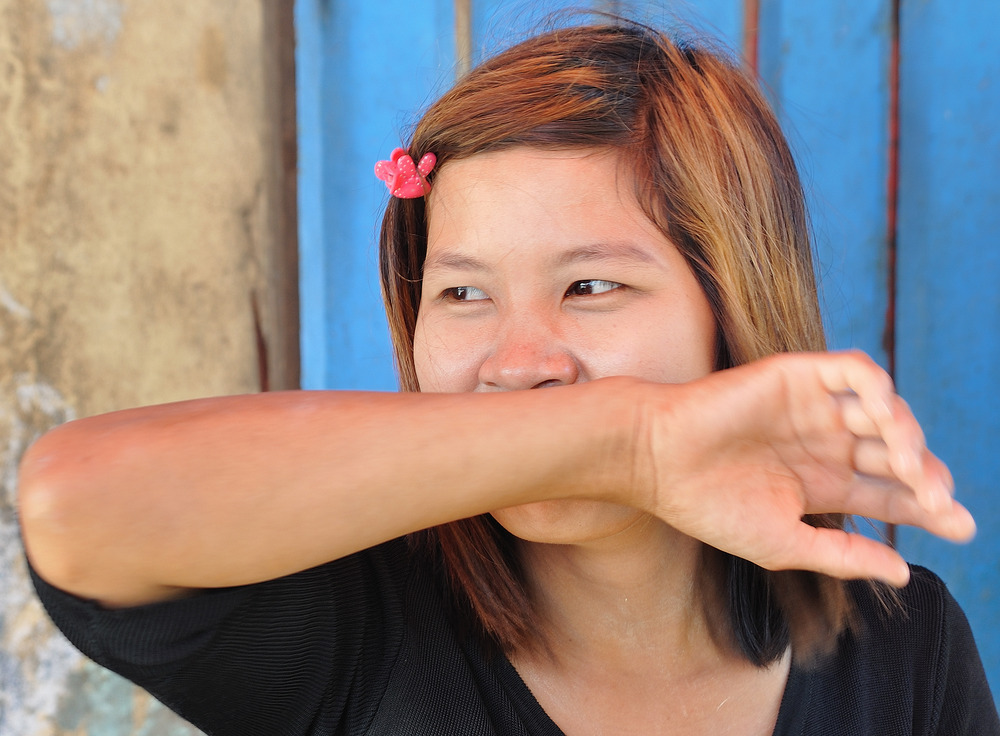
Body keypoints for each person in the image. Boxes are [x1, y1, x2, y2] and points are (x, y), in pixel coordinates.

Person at [18, 19, 997, 736]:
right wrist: (632, 440)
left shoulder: (900, 652)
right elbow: (74, 499)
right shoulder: (357, 623)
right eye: (462, 294)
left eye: (591, 284)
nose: (519, 361)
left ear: (730, 307)